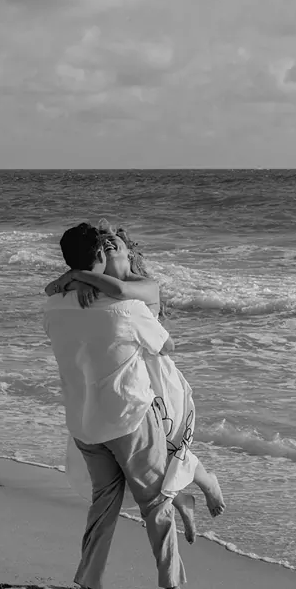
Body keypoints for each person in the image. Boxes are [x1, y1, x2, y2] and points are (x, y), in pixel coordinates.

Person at [43, 222, 189, 589]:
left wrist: (75, 281)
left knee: (103, 504)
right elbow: (167, 344)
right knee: (156, 502)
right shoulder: (128, 307)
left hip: (84, 422)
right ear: (104, 256)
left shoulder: (54, 305)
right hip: (129, 418)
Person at [47, 224, 225, 542]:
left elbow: (123, 294)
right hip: (122, 378)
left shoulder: (145, 284)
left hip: (156, 376)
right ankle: (181, 499)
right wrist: (78, 278)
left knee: (168, 442)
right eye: (105, 244)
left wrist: (79, 277)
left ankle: (206, 480)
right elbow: (51, 291)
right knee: (141, 462)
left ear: (130, 252)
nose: (111, 245)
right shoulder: (93, 287)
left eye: (117, 242)